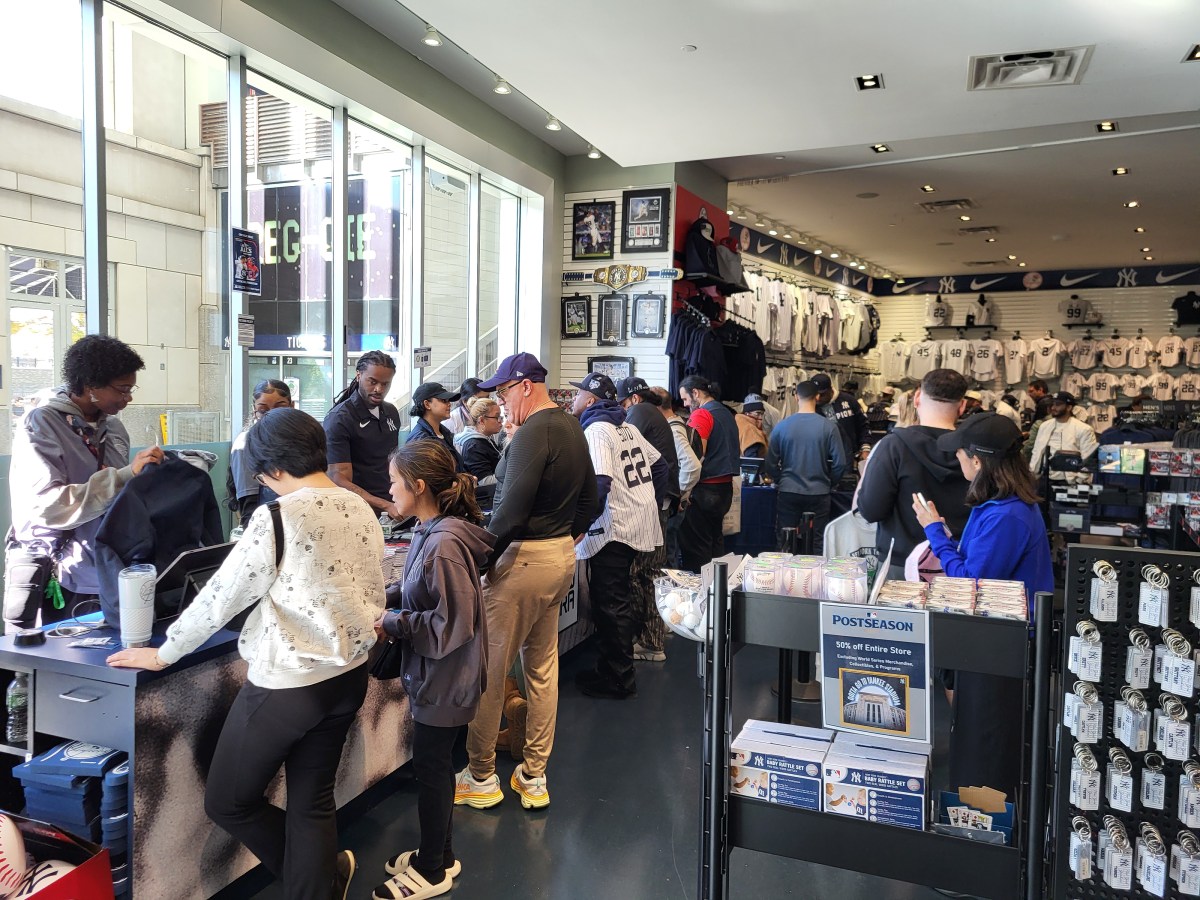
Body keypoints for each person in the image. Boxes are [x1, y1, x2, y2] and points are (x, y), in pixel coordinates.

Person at [107, 407, 385, 900]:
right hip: (349, 674)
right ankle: (320, 882)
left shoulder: (279, 515)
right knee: (312, 801)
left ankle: (316, 878)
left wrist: (163, 654)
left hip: (289, 685)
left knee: (229, 802)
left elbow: (221, 597)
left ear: (274, 467)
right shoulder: (358, 505)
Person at [455, 353, 597, 812]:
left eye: (503, 391)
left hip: (522, 563)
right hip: (559, 557)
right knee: (541, 670)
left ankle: (479, 776)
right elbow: (592, 500)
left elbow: (509, 513)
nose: (500, 400)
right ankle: (534, 776)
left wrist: (480, 560)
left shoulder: (533, 431)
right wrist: (564, 538)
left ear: (526, 386)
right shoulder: (573, 424)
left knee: (491, 671)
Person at [372, 440, 492, 900]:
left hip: (447, 678)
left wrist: (393, 622)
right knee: (436, 766)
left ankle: (431, 870)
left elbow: (451, 623)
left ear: (418, 486)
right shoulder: (430, 530)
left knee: (431, 768)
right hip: (437, 675)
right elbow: (419, 591)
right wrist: (388, 599)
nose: (389, 489)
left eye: (394, 482)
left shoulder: (443, 543)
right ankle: (439, 854)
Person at [911, 413, 1053, 797]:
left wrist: (935, 533)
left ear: (977, 461)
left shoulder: (1006, 515)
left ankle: (985, 822)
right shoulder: (1001, 505)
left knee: (987, 743)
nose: (957, 461)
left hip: (1001, 646)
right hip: (995, 641)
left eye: (960, 454)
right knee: (979, 734)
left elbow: (970, 583)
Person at [5, 335, 164, 629]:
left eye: (131, 388)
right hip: (67, 574)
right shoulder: (40, 424)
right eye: (122, 389)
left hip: (112, 567)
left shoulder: (113, 426)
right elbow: (46, 506)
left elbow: (119, 492)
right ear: (90, 385)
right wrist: (124, 476)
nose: (128, 398)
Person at [570, 373, 664, 698]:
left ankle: (619, 679)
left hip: (614, 527)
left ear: (591, 400)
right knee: (616, 599)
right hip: (636, 522)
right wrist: (648, 501)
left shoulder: (597, 430)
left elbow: (600, 484)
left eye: (578, 394)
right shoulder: (628, 426)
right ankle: (611, 669)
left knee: (610, 603)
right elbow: (660, 466)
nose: (574, 399)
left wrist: (578, 527)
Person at [856, 369, 971, 579]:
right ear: (962, 406)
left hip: (901, 566)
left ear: (917, 398)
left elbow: (871, 511)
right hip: (959, 567)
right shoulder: (973, 452)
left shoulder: (893, 446)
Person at [616, 377, 678, 663]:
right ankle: (657, 632)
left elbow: (624, 452)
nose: (621, 410)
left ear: (634, 399)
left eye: (622, 403)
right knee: (653, 570)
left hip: (652, 505)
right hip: (661, 502)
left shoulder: (639, 414)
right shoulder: (655, 413)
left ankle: (651, 641)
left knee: (642, 573)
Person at [763, 380, 848, 554]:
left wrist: (781, 479)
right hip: (819, 492)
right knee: (817, 541)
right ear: (817, 397)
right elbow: (840, 463)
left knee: (785, 540)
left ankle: (783, 578)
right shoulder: (829, 427)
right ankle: (815, 579)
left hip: (789, 490)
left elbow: (770, 462)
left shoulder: (782, 426)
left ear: (796, 397)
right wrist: (829, 482)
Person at [324, 351, 402, 516]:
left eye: (385, 384)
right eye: (372, 382)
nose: (379, 389)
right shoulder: (339, 419)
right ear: (358, 375)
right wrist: (385, 505)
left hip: (393, 505)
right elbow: (338, 478)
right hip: (356, 511)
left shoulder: (391, 412)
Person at [678, 375, 739, 572]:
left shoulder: (702, 415)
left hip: (705, 490)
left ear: (695, 393)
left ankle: (700, 597)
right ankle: (717, 596)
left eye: (686, 399)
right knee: (715, 545)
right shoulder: (726, 413)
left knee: (697, 550)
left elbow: (695, 455)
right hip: (724, 489)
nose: (686, 405)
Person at [229, 379, 294, 527]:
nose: (271, 416)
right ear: (255, 411)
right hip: (268, 524)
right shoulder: (245, 443)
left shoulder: (300, 437)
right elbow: (249, 503)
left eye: (279, 408)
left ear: (292, 406)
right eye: (264, 411)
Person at [651, 386, 701, 568]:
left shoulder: (672, 430)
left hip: (673, 505)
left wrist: (679, 495)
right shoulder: (678, 424)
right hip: (677, 503)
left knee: (667, 557)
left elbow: (692, 465)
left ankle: (671, 595)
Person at [812, 373, 870, 517]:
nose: (818, 398)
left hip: (848, 458)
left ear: (830, 389)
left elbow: (863, 425)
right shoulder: (812, 405)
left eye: (822, 394)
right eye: (815, 394)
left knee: (844, 495)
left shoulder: (848, 401)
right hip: (822, 460)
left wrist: (865, 448)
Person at [1029, 391, 1099, 482]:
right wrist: (1032, 473)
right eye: (1052, 404)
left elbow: (1089, 459)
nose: (1053, 408)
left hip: (1069, 482)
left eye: (1058, 405)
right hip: (1044, 479)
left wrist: (1078, 480)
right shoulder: (1044, 426)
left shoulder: (1084, 429)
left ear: (1069, 407)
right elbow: (1036, 451)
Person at [406, 381, 465, 471]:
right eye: (444, 400)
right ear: (427, 404)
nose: (449, 404)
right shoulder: (420, 439)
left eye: (448, 400)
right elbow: (426, 477)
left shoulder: (444, 433)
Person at [453, 396, 503, 484]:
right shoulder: (473, 446)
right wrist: (510, 476)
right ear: (482, 420)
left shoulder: (486, 439)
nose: (500, 421)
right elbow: (484, 481)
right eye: (496, 417)